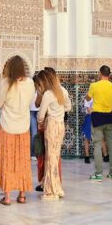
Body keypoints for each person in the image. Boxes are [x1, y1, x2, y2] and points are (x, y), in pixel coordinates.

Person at [0, 55, 36, 204]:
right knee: (22, 160)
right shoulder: (30, 83)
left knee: (8, 159)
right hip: (23, 126)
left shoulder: (5, 83)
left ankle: (7, 197)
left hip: (7, 126)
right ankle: (22, 194)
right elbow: (31, 102)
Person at [36, 69, 70, 200]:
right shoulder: (62, 91)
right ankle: (55, 187)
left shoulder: (48, 94)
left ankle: (51, 190)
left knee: (50, 157)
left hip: (51, 125)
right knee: (55, 157)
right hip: (60, 125)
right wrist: (59, 111)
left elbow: (40, 115)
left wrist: (41, 122)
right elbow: (68, 107)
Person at [86, 65, 112, 182]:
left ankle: (98, 173)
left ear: (100, 74)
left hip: (97, 116)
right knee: (111, 144)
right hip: (109, 116)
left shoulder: (94, 85)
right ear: (109, 75)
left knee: (97, 144)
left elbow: (88, 98)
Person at [81, 95, 93, 164]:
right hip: (89, 117)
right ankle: (87, 156)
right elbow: (89, 110)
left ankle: (105, 155)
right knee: (87, 137)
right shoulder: (88, 97)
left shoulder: (99, 96)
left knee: (101, 137)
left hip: (97, 117)